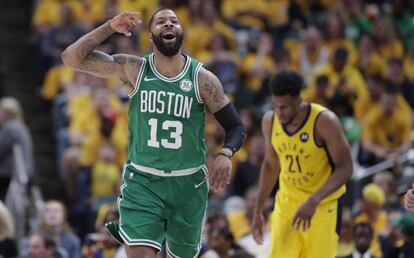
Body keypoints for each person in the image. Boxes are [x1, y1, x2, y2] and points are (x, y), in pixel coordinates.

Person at [61, 8, 246, 258]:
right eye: (161, 22)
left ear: (181, 32)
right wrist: (109, 27)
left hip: (188, 185)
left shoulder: (203, 80)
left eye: (174, 21)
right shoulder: (134, 69)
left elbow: (236, 127)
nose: (168, 24)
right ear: (150, 36)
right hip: (143, 182)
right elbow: (71, 58)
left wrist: (225, 153)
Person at [251, 71, 353, 258]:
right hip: (287, 203)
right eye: (276, 106)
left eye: (285, 107)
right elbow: (270, 165)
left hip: (322, 205)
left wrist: (313, 200)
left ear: (299, 100)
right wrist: (257, 211)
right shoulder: (270, 121)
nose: (279, 112)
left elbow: (346, 168)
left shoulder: (324, 121)